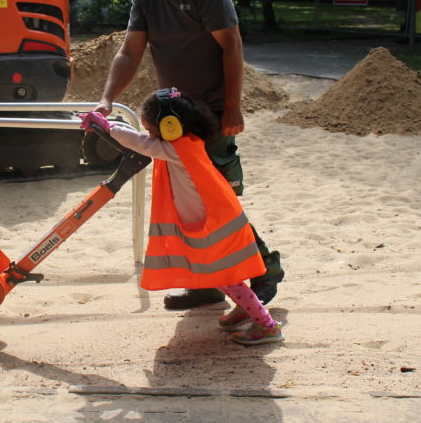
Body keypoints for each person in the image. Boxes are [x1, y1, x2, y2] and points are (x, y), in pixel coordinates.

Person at [94, 0, 284, 311]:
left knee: (217, 202)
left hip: (211, 116)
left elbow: (231, 45)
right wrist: (107, 98)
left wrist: (232, 106)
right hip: (174, 120)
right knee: (187, 206)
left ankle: (265, 270)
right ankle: (207, 284)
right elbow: (130, 52)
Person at [81, 90, 283, 346]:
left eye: (153, 128)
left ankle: (267, 326)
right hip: (209, 223)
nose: (150, 133)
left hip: (211, 226)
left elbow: (141, 143)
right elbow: (145, 140)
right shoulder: (187, 142)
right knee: (214, 272)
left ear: (171, 126)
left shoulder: (179, 150)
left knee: (223, 275)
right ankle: (247, 307)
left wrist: (108, 126)